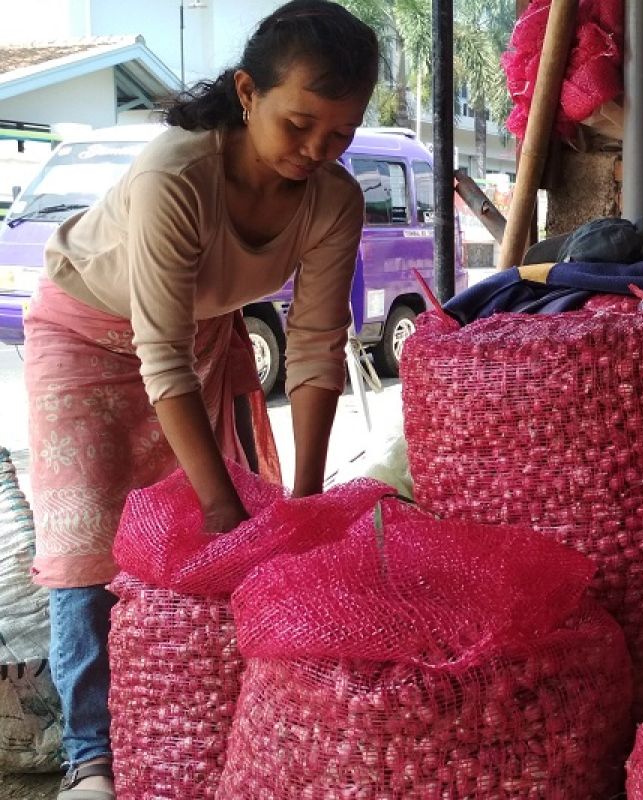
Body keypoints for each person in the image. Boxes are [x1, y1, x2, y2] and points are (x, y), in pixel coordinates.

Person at [23, 2, 379, 797]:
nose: (318, 151)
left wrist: (308, 506)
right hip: (86, 333)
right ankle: (91, 755)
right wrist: (224, 510)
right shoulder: (175, 173)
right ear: (248, 94)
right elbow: (162, 358)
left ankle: (183, 713)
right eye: (299, 125)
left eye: (340, 134)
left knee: (226, 523)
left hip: (201, 338)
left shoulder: (334, 200)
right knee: (91, 540)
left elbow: (318, 347)